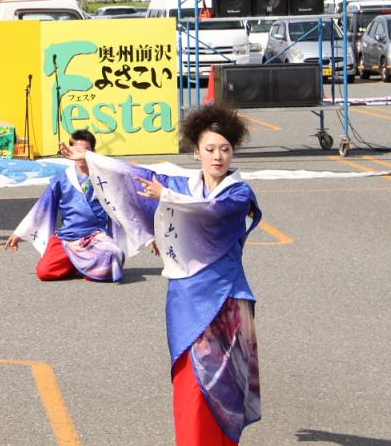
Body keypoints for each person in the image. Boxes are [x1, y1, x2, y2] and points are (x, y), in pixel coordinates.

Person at [80, 103, 262, 445]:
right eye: (209, 149)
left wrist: (168, 199)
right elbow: (133, 177)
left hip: (227, 299)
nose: (218, 156)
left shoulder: (238, 193)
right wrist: (90, 162)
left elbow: (212, 212)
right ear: (196, 151)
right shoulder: (184, 184)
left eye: (225, 149)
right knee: (191, 383)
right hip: (186, 299)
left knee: (223, 384)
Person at [4, 129, 125, 282]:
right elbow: (43, 206)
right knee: (44, 272)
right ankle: (79, 263)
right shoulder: (62, 179)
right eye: (76, 149)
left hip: (95, 237)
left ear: (93, 152)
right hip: (68, 237)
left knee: (113, 255)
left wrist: (146, 232)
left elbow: (125, 204)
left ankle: (83, 263)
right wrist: (19, 233)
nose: (81, 154)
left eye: (86, 150)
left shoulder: (104, 176)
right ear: (70, 150)